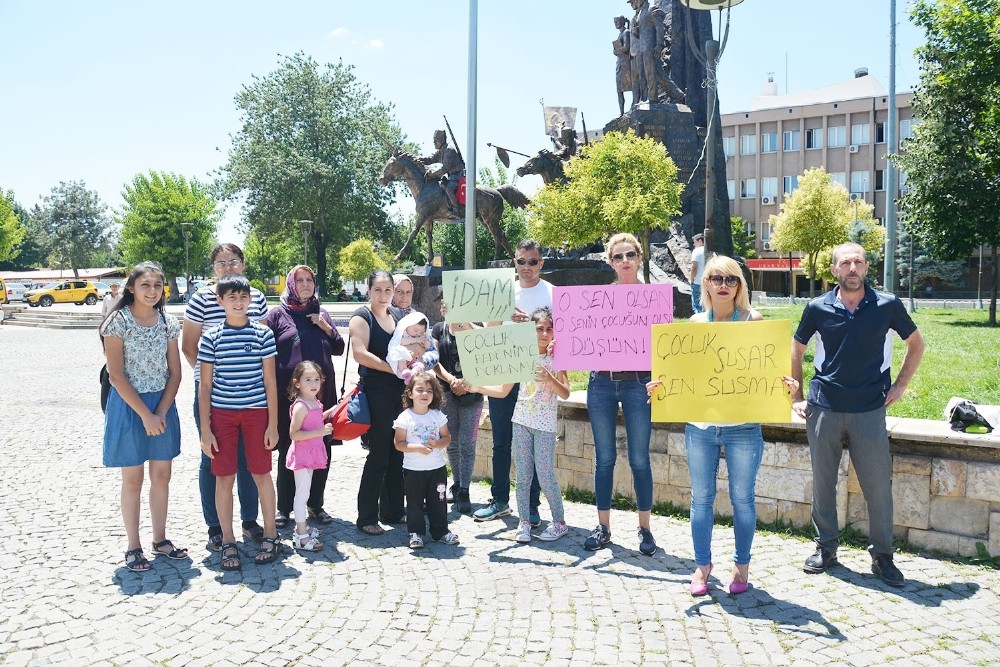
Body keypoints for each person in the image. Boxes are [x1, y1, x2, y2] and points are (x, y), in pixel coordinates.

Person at [647, 255, 797, 595]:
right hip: (700, 428)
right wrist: (661, 387)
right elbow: (685, 374)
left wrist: (786, 387)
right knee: (701, 499)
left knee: (742, 499)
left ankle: (741, 567)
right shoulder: (697, 324)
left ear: (740, 285)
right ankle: (702, 567)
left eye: (731, 279)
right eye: (717, 278)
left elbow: (771, 372)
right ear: (707, 285)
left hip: (743, 427)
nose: (724, 285)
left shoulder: (753, 321)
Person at [792, 242, 925, 587]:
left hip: (869, 409)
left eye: (858, 262)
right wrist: (796, 395)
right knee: (823, 482)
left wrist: (900, 386)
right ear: (834, 270)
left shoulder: (887, 305)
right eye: (845, 263)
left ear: (867, 268)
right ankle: (826, 548)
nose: (852, 268)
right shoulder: (817, 307)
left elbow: (917, 344)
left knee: (878, 486)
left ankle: (883, 556)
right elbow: (796, 349)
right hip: (824, 407)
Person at [182, 243, 268, 551]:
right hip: (214, 392)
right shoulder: (202, 298)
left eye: (233, 261)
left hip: (251, 392)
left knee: (249, 459)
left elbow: (262, 343)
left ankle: (249, 520)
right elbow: (189, 346)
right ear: (213, 268)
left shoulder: (255, 297)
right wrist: (214, 379)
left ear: (243, 264)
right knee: (213, 456)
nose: (227, 267)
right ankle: (215, 526)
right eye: (221, 263)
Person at [101, 262, 186, 572]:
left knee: (162, 476)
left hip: (161, 403)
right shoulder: (117, 322)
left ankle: (160, 539)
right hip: (129, 405)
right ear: (132, 288)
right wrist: (145, 415)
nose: (151, 291)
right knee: (133, 479)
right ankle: (133, 546)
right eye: (145, 285)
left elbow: (175, 373)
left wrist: (160, 412)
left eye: (156, 285)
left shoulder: (168, 322)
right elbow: (116, 375)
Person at [197, 274, 281, 570]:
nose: (238, 302)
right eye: (231, 297)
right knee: (224, 477)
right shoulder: (210, 338)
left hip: (257, 413)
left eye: (243, 297)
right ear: (219, 301)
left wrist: (273, 423)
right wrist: (206, 429)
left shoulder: (262, 335)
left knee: (261, 473)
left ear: (251, 300)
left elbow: (270, 381)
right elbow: (205, 386)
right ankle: (229, 540)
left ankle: (271, 533)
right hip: (223, 415)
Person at [584, 232, 657, 556]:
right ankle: (603, 527)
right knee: (604, 459)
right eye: (618, 257)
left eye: (630, 255)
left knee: (640, 459)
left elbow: (665, 349)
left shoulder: (653, 299)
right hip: (601, 383)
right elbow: (584, 339)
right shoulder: (599, 298)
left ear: (639, 258)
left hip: (638, 383)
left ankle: (645, 529)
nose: (624, 261)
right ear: (610, 262)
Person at [476, 307, 571, 543]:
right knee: (523, 476)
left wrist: (550, 376)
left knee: (546, 474)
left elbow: (566, 392)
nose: (545, 333)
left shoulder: (558, 358)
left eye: (550, 329)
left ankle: (559, 522)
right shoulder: (521, 355)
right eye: (539, 329)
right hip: (521, 422)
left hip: (545, 426)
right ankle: (524, 523)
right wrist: (477, 387)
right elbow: (503, 390)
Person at [265, 265, 345, 530]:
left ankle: (315, 504)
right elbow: (264, 349)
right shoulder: (278, 314)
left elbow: (339, 348)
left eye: (310, 279)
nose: (305, 284)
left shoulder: (321, 312)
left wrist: (325, 326)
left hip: (321, 395)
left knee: (320, 448)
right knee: (291, 449)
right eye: (299, 280)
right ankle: (285, 508)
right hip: (291, 398)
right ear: (290, 284)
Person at [474, 238, 548, 525]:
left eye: (532, 261)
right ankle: (501, 500)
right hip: (503, 370)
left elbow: (557, 336)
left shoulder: (552, 294)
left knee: (530, 443)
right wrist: (502, 315)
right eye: (521, 261)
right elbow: (489, 330)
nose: (526, 266)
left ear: (541, 264)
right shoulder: (501, 291)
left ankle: (531, 506)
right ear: (514, 262)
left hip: (536, 376)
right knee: (501, 440)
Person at [351, 270, 407, 535]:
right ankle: (367, 517)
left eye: (388, 290)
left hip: (399, 392)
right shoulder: (362, 317)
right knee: (379, 454)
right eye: (378, 290)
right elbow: (360, 354)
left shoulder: (398, 316)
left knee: (398, 452)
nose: (383, 295)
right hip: (376, 392)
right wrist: (391, 369)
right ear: (369, 291)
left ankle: (394, 511)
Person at [393, 371, 460, 549]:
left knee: (438, 502)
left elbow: (447, 438)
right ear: (410, 393)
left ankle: (441, 531)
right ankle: (415, 533)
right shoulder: (404, 417)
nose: (424, 394)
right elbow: (399, 443)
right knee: (414, 503)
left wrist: (437, 444)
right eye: (420, 390)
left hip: (437, 468)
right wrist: (418, 448)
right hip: (413, 470)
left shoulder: (437, 415)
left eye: (429, 391)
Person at [431, 299, 482, 514]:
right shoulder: (439, 328)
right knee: (451, 442)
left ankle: (465, 489)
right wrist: (452, 380)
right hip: (446, 392)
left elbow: (485, 349)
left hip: (473, 391)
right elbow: (433, 361)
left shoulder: (474, 324)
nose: (448, 307)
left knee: (467, 443)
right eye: (444, 303)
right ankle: (458, 485)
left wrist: (464, 322)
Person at [286, 361, 332, 552]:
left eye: (316, 379)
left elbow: (316, 420)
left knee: (305, 491)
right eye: (308, 380)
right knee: (302, 494)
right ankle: (301, 536)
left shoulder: (314, 402)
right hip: (303, 455)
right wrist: (321, 431)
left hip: (311, 454)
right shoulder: (301, 406)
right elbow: (294, 434)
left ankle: (302, 526)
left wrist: (335, 410)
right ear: (297, 383)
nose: (314, 384)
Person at [418, 129, 465, 216]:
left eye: (435, 140)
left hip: (458, 176)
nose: (434, 142)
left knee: (449, 189)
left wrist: (431, 174)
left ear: (441, 140)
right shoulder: (440, 152)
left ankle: (456, 209)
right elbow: (429, 159)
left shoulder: (449, 150)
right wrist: (415, 159)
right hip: (451, 177)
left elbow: (444, 168)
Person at [386, 311, 432, 383]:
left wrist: (426, 343)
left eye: (421, 332)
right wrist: (416, 340)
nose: (418, 334)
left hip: (415, 358)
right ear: (407, 326)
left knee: (420, 360)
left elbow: (427, 347)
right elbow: (401, 342)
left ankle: (416, 369)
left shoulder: (422, 337)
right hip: (404, 357)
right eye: (415, 330)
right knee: (400, 354)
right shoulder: (403, 334)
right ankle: (405, 371)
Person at [613, 16, 634, 117]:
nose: (616, 23)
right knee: (619, 89)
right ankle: (621, 112)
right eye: (614, 22)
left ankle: (635, 104)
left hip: (626, 62)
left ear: (622, 21)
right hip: (619, 63)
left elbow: (626, 47)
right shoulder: (620, 34)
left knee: (632, 84)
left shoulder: (626, 32)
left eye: (617, 21)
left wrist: (616, 51)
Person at [689, 233, 705, 314]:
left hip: (698, 282)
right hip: (709, 282)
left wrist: (691, 280)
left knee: (697, 306)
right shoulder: (710, 251)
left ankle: (699, 324)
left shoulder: (697, 251)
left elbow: (694, 267)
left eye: (695, 242)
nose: (694, 244)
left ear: (700, 241)